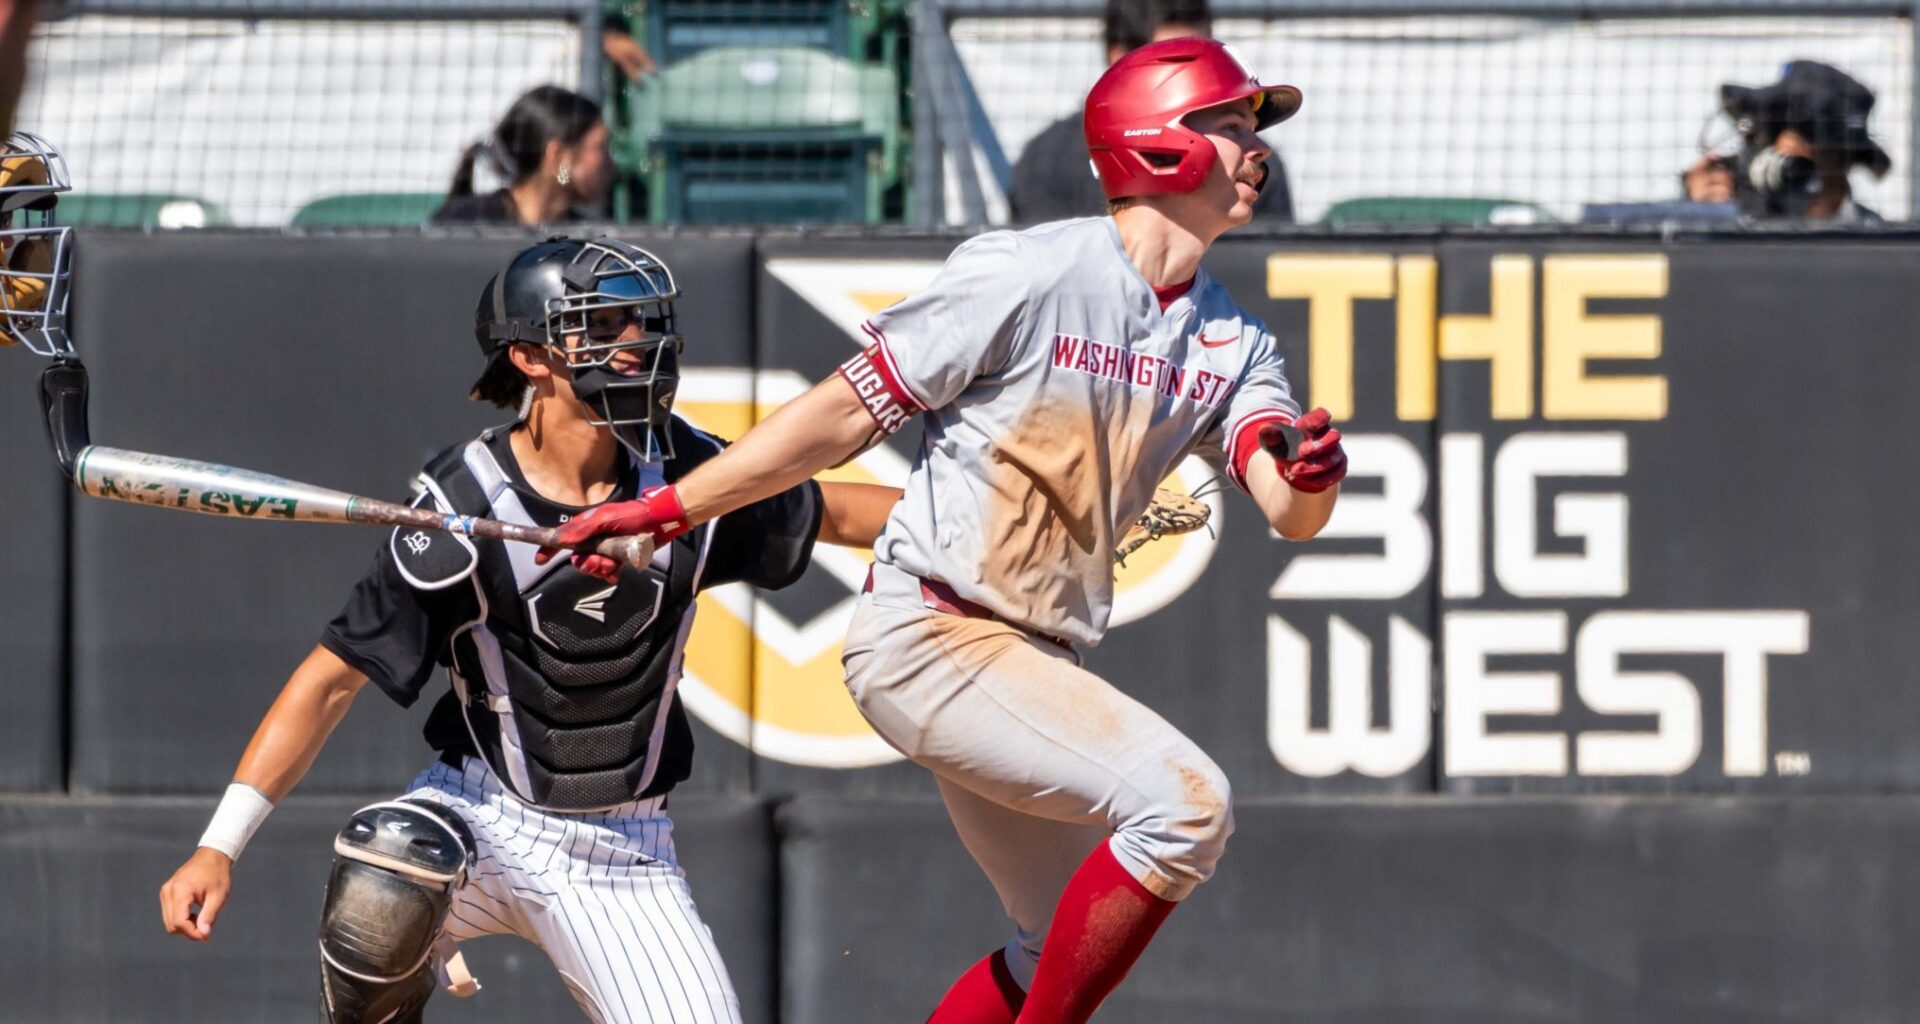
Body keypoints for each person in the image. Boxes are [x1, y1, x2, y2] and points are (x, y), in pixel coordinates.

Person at [538, 39, 1347, 1023]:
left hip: (1033, 661)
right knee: (1187, 803)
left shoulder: (1235, 340)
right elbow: (838, 416)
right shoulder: (1027, 271)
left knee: (1053, 942)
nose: (1255, 151)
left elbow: (1287, 508)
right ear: (1158, 143)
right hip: (930, 634)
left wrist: (1308, 473)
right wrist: (670, 506)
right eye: (1230, 126)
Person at [156, 237, 900, 1023]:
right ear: (530, 357)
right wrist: (219, 845)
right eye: (602, 325)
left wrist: (996, 527)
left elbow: (841, 512)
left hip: (624, 849)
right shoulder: (460, 505)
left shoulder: (690, 479)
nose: (634, 343)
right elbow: (330, 678)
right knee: (390, 865)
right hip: (479, 816)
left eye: (639, 323)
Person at [1009, 0, 1294, 226]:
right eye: (1181, 60)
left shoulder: (1251, 167)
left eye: (1209, 53)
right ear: (1121, 59)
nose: (1257, 149)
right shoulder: (1049, 161)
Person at [1682, 60, 1892, 223]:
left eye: (1816, 151)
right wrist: (1700, 212)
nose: (1793, 163)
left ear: (1842, 164)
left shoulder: (1872, 236)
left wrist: (1829, 198)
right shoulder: (1731, 207)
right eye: (1776, 134)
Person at [432, 86, 614, 227]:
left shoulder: (587, 241)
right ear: (557, 155)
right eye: (600, 147)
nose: (611, 164)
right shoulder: (468, 221)